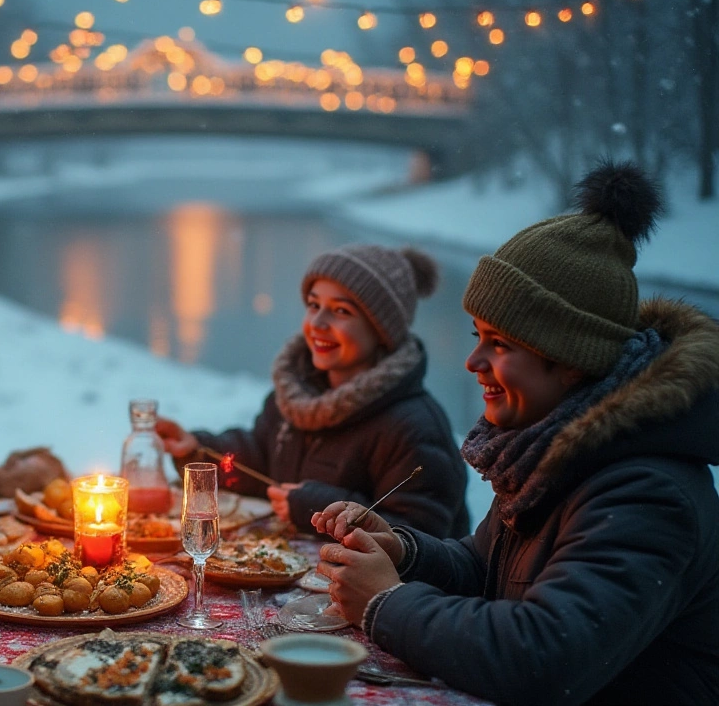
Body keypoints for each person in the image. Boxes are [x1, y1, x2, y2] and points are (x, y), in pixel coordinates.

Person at [313, 162, 719, 705]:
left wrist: (384, 602)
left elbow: (541, 658)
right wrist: (403, 551)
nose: (472, 361)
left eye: (499, 343)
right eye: (478, 335)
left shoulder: (647, 493)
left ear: (571, 360)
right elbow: (486, 570)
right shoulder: (548, 444)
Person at [156, 244, 470, 538]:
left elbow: (419, 542)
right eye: (314, 304)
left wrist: (318, 507)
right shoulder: (294, 399)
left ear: (381, 330)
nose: (318, 322)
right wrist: (198, 451)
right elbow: (258, 459)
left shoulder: (415, 428)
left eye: (341, 311)